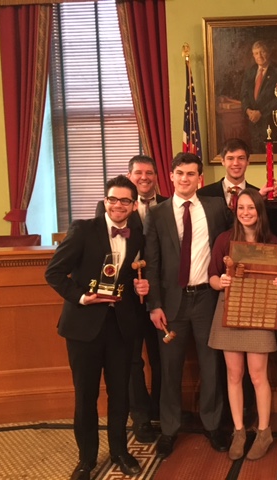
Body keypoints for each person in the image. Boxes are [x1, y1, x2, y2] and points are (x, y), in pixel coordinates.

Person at [45, 175, 149, 480]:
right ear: (105, 201)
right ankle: (86, 460)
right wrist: (81, 297)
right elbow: (54, 273)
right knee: (86, 396)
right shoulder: (83, 230)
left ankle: (120, 451)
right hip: (83, 327)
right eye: (113, 199)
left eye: (125, 201)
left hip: (121, 327)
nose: (118, 205)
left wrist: (142, 286)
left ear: (133, 205)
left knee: (120, 395)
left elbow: (131, 278)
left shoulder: (137, 236)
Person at [144, 152, 234, 459]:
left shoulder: (216, 207)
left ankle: (213, 425)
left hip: (207, 298)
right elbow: (152, 263)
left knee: (211, 365)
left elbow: (235, 239)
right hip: (171, 303)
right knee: (170, 368)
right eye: (180, 173)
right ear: (171, 176)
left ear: (200, 178)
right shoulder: (157, 214)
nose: (185, 179)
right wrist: (154, 305)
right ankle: (169, 429)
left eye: (191, 174)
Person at [207, 189, 277, 460]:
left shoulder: (272, 241)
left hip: (260, 311)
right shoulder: (224, 239)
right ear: (235, 210)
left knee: (257, 375)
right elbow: (212, 276)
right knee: (234, 375)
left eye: (251, 207)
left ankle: (264, 431)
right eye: (241, 207)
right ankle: (239, 431)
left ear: (259, 211)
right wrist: (221, 282)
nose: (246, 212)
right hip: (229, 311)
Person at [95, 155, 167, 444]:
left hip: (161, 294)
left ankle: (162, 410)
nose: (144, 177)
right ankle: (141, 416)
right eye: (139, 172)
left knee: (162, 357)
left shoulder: (168, 204)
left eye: (150, 172)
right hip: (128, 297)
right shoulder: (112, 206)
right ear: (129, 175)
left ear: (157, 177)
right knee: (133, 360)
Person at [198, 137, 277, 236]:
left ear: (248, 161)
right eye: (230, 158)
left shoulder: (260, 195)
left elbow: (276, 228)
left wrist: (273, 200)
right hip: (217, 245)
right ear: (222, 161)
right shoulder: (204, 194)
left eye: (241, 158)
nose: (236, 163)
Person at [240, 41, 277, 153]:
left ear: (268, 53)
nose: (259, 56)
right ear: (253, 55)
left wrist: (261, 112)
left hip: (271, 123)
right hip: (252, 125)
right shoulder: (250, 72)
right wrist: (248, 110)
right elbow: (244, 95)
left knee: (271, 157)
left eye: (262, 52)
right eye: (256, 53)